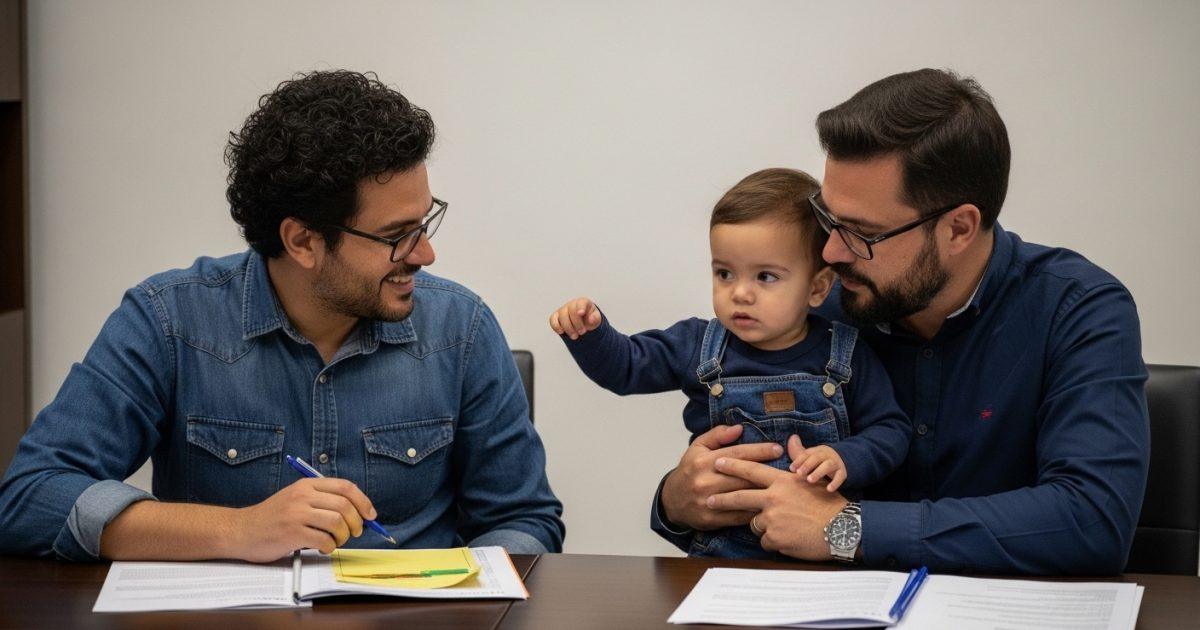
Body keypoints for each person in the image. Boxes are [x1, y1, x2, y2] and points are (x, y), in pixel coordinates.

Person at [0, 70, 564, 562]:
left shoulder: (460, 331)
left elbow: (527, 522)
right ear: (302, 241)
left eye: (425, 223)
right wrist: (238, 529)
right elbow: (29, 499)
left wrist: (470, 593)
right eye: (396, 237)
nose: (424, 254)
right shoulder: (168, 322)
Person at [652, 69, 1149, 574]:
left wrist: (848, 528)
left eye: (862, 233)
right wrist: (678, 499)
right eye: (829, 220)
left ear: (958, 229)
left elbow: (1092, 521)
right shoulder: (817, 307)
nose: (830, 251)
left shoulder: (1078, 309)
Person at [550, 168, 910, 559]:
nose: (740, 293)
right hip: (722, 554)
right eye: (724, 273)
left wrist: (846, 458)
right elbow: (625, 368)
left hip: (819, 552)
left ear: (817, 287)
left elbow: (891, 430)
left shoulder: (846, 352)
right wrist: (591, 334)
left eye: (766, 277)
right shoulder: (698, 344)